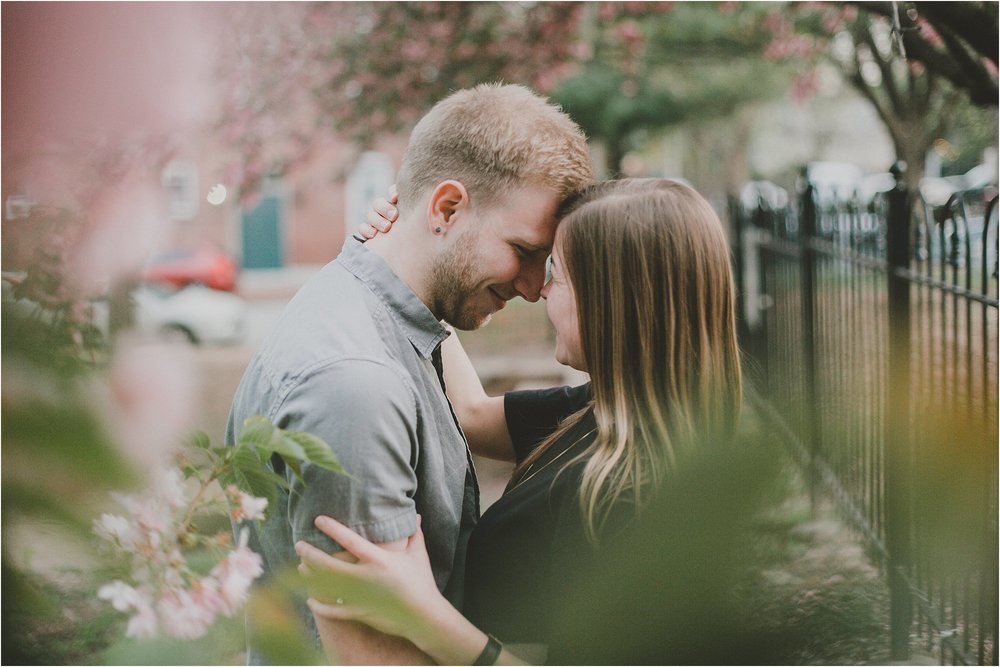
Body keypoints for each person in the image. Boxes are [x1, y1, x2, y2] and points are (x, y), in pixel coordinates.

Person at [295, 178, 743, 664]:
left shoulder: (640, 493)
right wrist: (409, 266)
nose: (539, 290)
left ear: (615, 301)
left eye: (559, 274)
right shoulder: (608, 409)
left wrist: (425, 617)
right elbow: (472, 415)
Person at [225, 83, 593, 665]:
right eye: (523, 250)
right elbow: (377, 656)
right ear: (446, 208)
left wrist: (395, 252)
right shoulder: (356, 389)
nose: (530, 287)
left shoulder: (369, 308)